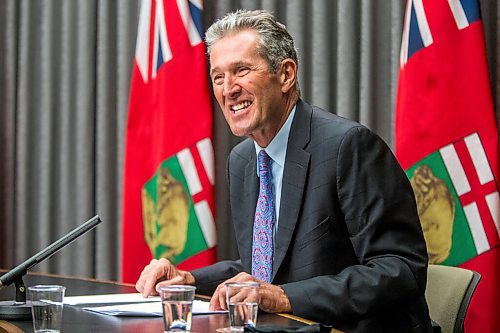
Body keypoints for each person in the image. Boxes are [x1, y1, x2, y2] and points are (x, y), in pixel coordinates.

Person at [136, 9, 432, 332]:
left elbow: (399, 269)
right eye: (218, 77)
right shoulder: (243, 160)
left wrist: (283, 297)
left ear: (286, 75)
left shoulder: (347, 146)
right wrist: (189, 279)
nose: (228, 89)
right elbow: (264, 268)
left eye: (241, 70)